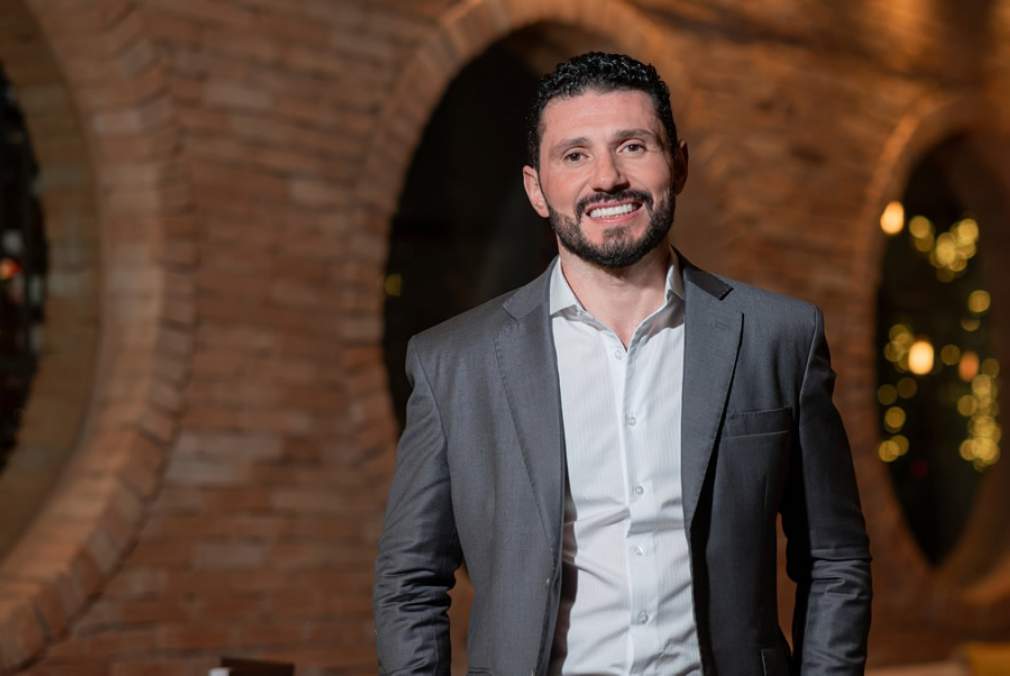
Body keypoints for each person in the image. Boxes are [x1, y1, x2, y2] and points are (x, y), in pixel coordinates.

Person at [373, 52, 871, 676]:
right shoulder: (455, 364)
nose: (607, 178)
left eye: (633, 146)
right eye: (574, 155)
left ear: (679, 164)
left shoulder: (779, 338)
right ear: (536, 188)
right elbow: (410, 581)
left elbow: (834, 559)